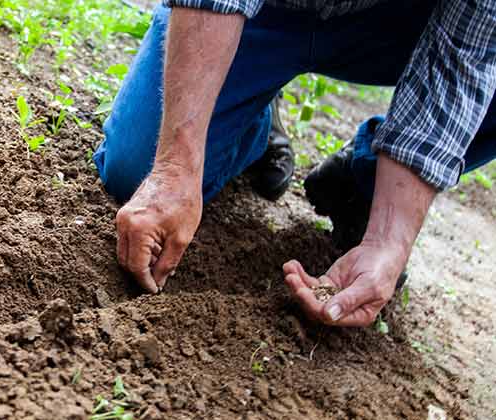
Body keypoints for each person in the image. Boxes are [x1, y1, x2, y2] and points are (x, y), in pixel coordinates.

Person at [91, 0, 496, 327]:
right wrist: (175, 169)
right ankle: (253, 121)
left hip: (395, 23)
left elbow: (465, 59)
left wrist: (388, 240)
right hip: (264, 12)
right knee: (136, 168)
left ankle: (365, 184)